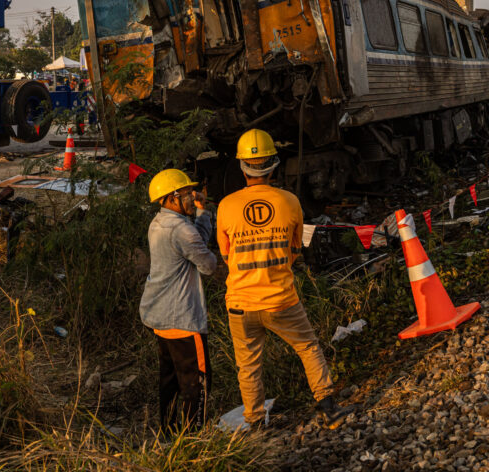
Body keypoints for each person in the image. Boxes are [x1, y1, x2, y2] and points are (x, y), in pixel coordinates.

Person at [217, 129, 347, 430]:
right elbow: (294, 249)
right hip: (280, 299)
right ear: (273, 165)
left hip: (239, 302)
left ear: (242, 167)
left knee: (248, 367)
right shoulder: (289, 202)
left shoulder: (226, 206)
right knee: (308, 347)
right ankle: (328, 407)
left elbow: (226, 255)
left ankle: (255, 425)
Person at [139, 168, 217, 433]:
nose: (191, 197)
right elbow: (207, 264)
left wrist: (202, 213)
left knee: (170, 380)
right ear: (172, 197)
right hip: (182, 319)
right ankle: (195, 439)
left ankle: (170, 434)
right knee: (196, 384)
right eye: (186, 194)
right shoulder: (182, 229)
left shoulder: (159, 222)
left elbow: (194, 242)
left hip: (158, 315)